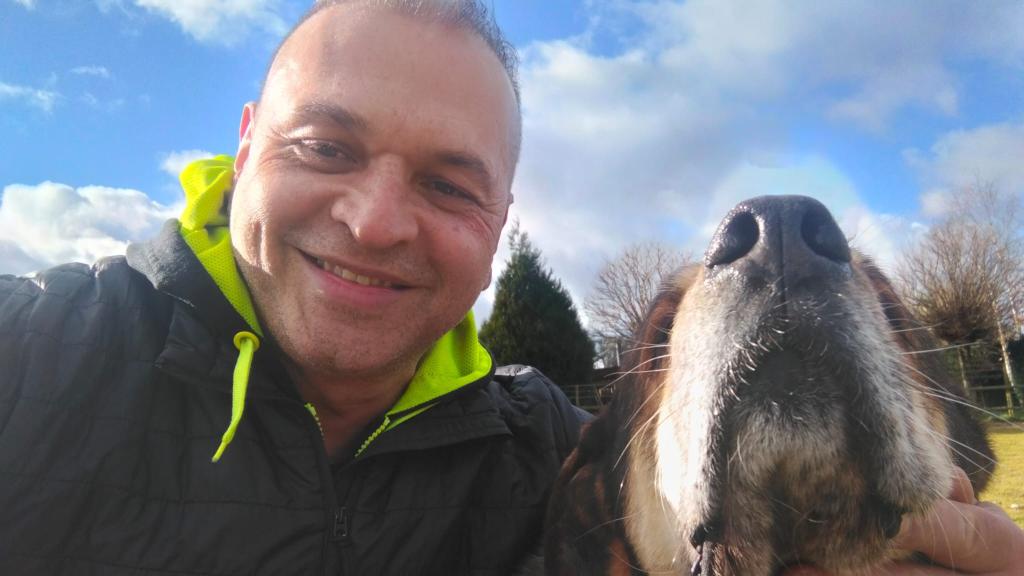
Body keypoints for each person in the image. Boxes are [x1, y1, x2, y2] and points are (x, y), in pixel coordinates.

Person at [0, 1, 1020, 575]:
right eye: (325, 146)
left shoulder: (544, 459)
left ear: (500, 222)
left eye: (449, 184)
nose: (377, 219)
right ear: (244, 146)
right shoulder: (28, 358)